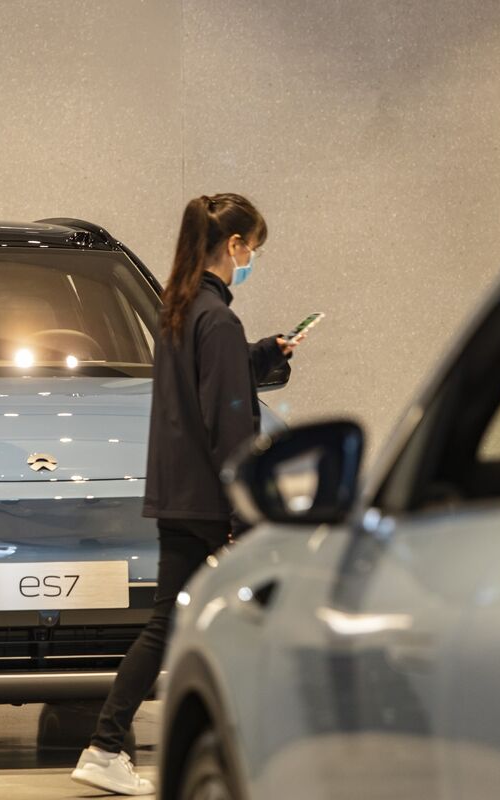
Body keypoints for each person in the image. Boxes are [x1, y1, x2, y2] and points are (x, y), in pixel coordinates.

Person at [71, 193, 304, 795]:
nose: (252, 259)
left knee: (166, 625)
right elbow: (227, 418)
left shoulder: (179, 311)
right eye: (252, 248)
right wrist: (242, 509)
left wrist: (261, 355)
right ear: (234, 245)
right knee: (243, 622)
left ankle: (105, 745)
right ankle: (250, 747)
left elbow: (212, 383)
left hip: (179, 496)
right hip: (212, 503)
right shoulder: (218, 319)